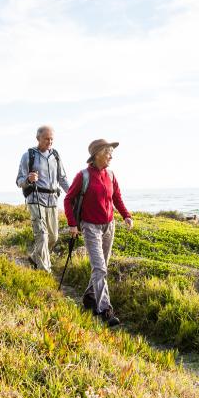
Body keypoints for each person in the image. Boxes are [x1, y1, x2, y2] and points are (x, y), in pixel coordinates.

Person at [63, 139, 133, 327]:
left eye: (111, 152)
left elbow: (116, 197)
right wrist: (72, 224)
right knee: (100, 268)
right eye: (108, 152)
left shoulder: (111, 175)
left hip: (109, 226)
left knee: (101, 267)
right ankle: (105, 309)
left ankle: (89, 297)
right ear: (97, 154)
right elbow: (68, 199)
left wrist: (126, 215)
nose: (111, 155)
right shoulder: (83, 175)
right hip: (90, 227)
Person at [16, 126, 70, 272]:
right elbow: (19, 181)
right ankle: (45, 271)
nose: (50, 141)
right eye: (46, 138)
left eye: (52, 138)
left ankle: (34, 257)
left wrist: (72, 194)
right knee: (42, 236)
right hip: (35, 199)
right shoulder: (28, 155)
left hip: (52, 201)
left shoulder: (56, 156)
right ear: (38, 138)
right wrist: (28, 178)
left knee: (53, 237)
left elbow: (62, 179)